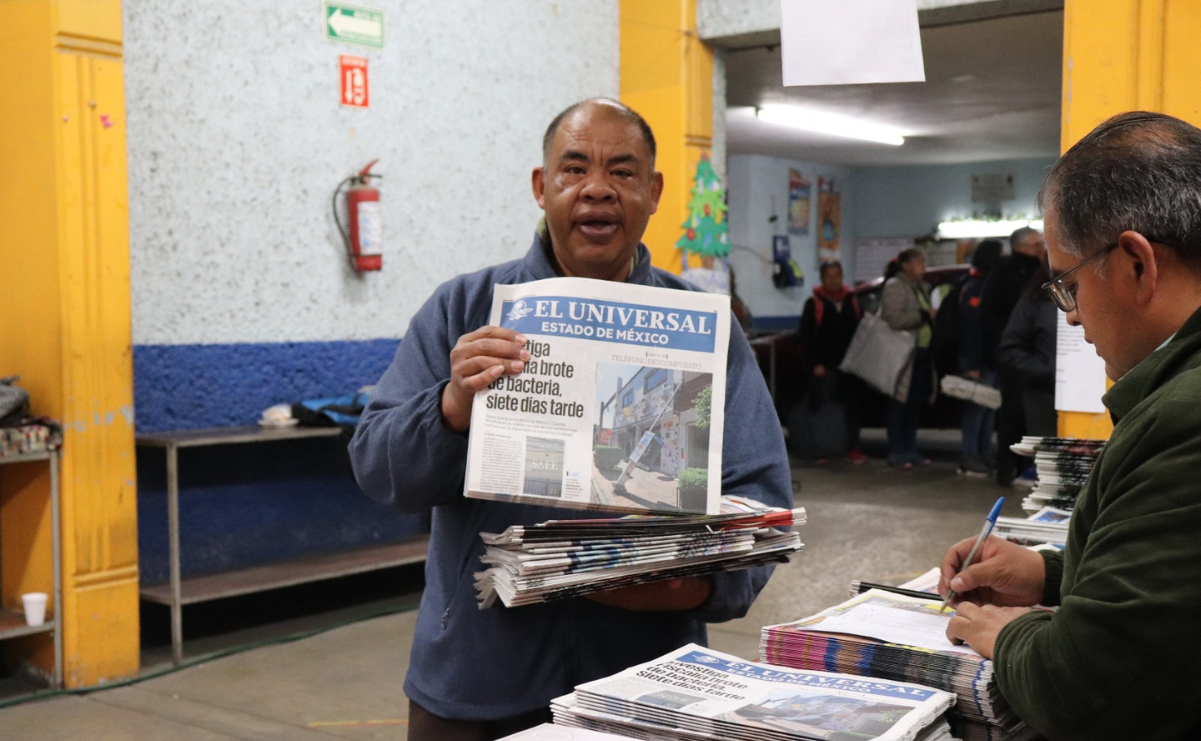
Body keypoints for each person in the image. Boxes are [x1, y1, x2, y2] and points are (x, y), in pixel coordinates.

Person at [349, 98, 792, 741]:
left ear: (654, 191)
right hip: (476, 684)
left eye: (623, 171)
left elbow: (760, 495)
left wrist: (699, 590)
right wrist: (450, 408)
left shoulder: (706, 332)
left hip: (646, 689)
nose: (597, 189)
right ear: (542, 187)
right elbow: (377, 470)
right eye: (575, 168)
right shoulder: (464, 310)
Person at [939, 111, 1201, 740]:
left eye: (1067, 285)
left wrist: (1009, 634)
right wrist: (1047, 572)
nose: (1074, 318)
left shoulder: (1184, 418)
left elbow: (1085, 689)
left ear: (1137, 263)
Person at [980, 226, 1046, 485]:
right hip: (1016, 358)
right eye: (1036, 245)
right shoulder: (1006, 274)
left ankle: (1026, 466)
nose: (1041, 249)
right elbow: (989, 317)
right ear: (1020, 247)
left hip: (1034, 358)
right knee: (1012, 415)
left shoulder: (1041, 273)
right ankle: (1007, 467)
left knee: (1031, 416)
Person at [796, 261, 867, 463]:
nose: (833, 279)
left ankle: (853, 446)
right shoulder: (814, 304)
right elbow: (807, 337)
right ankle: (822, 448)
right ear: (822, 278)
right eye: (829, 275)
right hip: (825, 367)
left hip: (851, 366)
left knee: (852, 408)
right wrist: (814, 364)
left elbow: (861, 332)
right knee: (824, 409)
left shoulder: (852, 301)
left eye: (837, 274)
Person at [880, 248, 936, 469]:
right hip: (903, 354)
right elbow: (894, 318)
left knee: (915, 403)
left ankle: (911, 449)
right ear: (906, 265)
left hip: (922, 352)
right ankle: (897, 450)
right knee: (899, 403)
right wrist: (923, 316)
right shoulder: (895, 286)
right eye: (919, 262)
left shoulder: (922, 287)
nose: (924, 266)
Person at [955, 240, 1004, 477]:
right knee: (976, 409)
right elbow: (971, 328)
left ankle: (985, 451)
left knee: (989, 407)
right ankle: (969, 455)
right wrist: (972, 364)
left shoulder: (988, 284)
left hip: (990, 358)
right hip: (978, 359)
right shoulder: (974, 286)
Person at [995, 264, 1057, 438]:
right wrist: (1049, 372)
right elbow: (1010, 350)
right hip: (1045, 398)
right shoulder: (1034, 302)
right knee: (1049, 457)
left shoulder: (1098, 299)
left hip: (1096, 398)